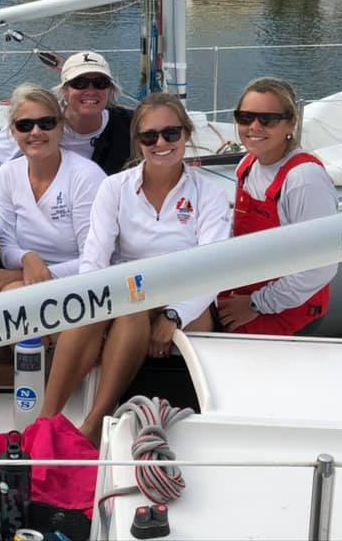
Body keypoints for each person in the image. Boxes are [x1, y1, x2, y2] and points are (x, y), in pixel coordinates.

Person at [40, 92, 231, 445]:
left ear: (186, 135)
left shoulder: (209, 194)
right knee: (108, 313)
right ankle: (45, 422)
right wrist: (93, 303)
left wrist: (173, 314)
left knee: (130, 310)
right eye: (149, 136)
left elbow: (212, 269)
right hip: (130, 288)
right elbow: (95, 258)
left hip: (188, 292)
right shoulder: (114, 188)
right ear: (138, 142)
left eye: (171, 134)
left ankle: (94, 422)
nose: (161, 143)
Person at [217, 77, 338, 335]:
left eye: (267, 120)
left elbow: (320, 266)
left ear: (291, 123)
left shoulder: (304, 179)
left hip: (284, 310)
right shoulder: (247, 165)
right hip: (244, 295)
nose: (254, 127)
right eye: (245, 117)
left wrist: (256, 304)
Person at [0, 84, 105, 293]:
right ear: (13, 132)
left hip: (86, 282)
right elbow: (7, 247)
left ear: (61, 127)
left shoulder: (86, 177)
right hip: (31, 278)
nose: (36, 132)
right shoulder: (7, 174)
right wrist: (27, 258)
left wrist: (30, 274)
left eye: (46, 123)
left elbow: (94, 259)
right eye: (25, 125)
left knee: (10, 294)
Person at [0, 51, 132, 209]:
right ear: (65, 91)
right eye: (79, 83)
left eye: (100, 83)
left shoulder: (127, 125)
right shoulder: (42, 121)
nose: (90, 90)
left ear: (109, 90)